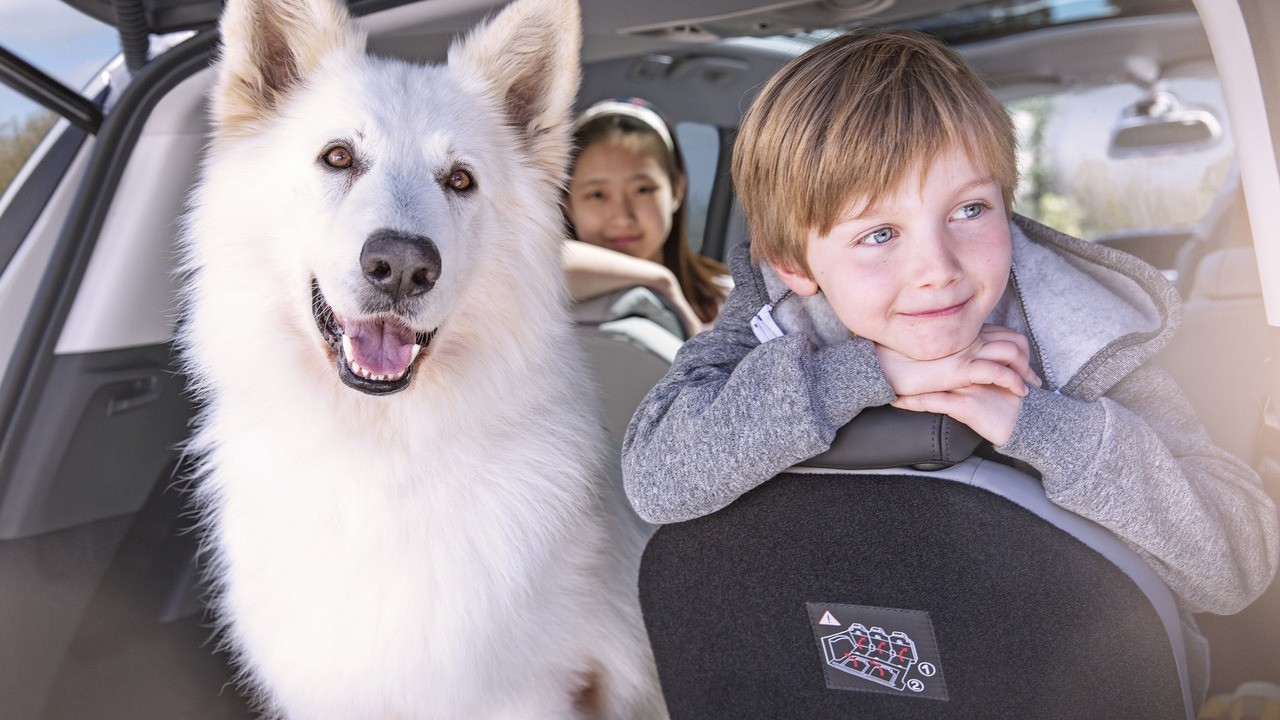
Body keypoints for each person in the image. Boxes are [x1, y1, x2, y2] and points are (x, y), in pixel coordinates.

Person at [620, 28, 1279, 703]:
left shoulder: (1084, 343)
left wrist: (1040, 423)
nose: (937, 268)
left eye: (969, 209)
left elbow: (1239, 565)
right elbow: (656, 480)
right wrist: (869, 372)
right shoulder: (768, 327)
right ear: (792, 264)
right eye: (880, 233)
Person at [564, 98, 730, 334]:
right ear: (568, 205)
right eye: (597, 194)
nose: (622, 218)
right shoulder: (537, 305)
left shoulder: (737, 301)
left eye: (642, 190)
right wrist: (660, 280)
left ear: (676, 191)